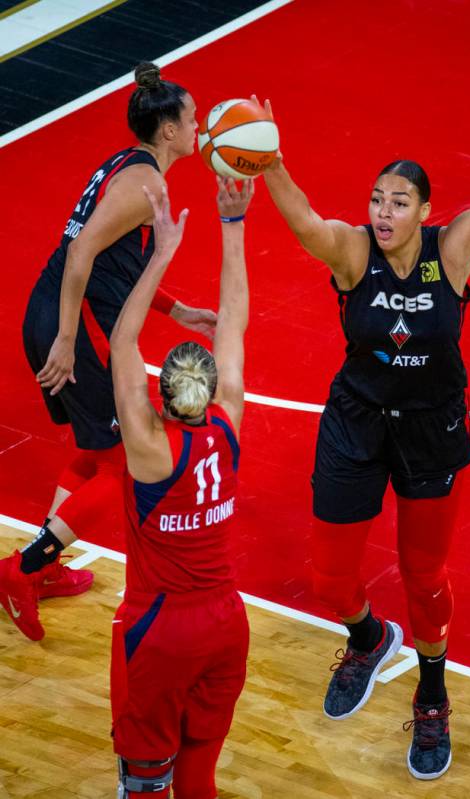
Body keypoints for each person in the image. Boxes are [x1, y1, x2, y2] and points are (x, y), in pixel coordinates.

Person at [256, 18, 470, 780]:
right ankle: (368, 638)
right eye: (375, 198)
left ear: (424, 210)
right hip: (356, 420)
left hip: (431, 427)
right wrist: (267, 162)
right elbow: (302, 217)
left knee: (426, 575)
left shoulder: (454, 249)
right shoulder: (350, 252)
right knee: (330, 576)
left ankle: (431, 693)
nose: (382, 210)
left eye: (398, 201)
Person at [0, 62, 216, 641]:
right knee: (128, 465)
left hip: (57, 311)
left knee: (96, 449)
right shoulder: (149, 186)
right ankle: (20, 570)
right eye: (191, 117)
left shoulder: (128, 167)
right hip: (77, 325)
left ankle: (40, 566)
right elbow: (81, 255)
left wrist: (177, 311)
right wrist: (68, 341)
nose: (197, 126)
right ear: (167, 128)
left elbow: (116, 261)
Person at [108, 176, 253, 799]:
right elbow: (236, 324)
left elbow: (121, 341)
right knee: (199, 772)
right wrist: (233, 226)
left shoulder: (150, 449)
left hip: (160, 632)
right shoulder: (228, 421)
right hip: (225, 626)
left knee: (146, 780)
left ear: (159, 397)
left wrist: (163, 251)